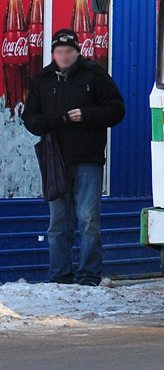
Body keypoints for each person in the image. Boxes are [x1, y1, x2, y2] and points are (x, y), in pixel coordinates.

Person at [21, 29, 125, 286]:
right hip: (55, 159)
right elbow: (30, 119)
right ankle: (60, 277)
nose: (64, 56)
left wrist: (87, 115)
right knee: (58, 223)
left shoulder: (95, 75)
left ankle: (89, 276)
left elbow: (117, 110)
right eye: (59, 51)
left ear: (78, 52)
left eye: (69, 51)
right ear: (53, 53)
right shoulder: (42, 80)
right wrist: (57, 121)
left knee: (89, 220)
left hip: (88, 158)